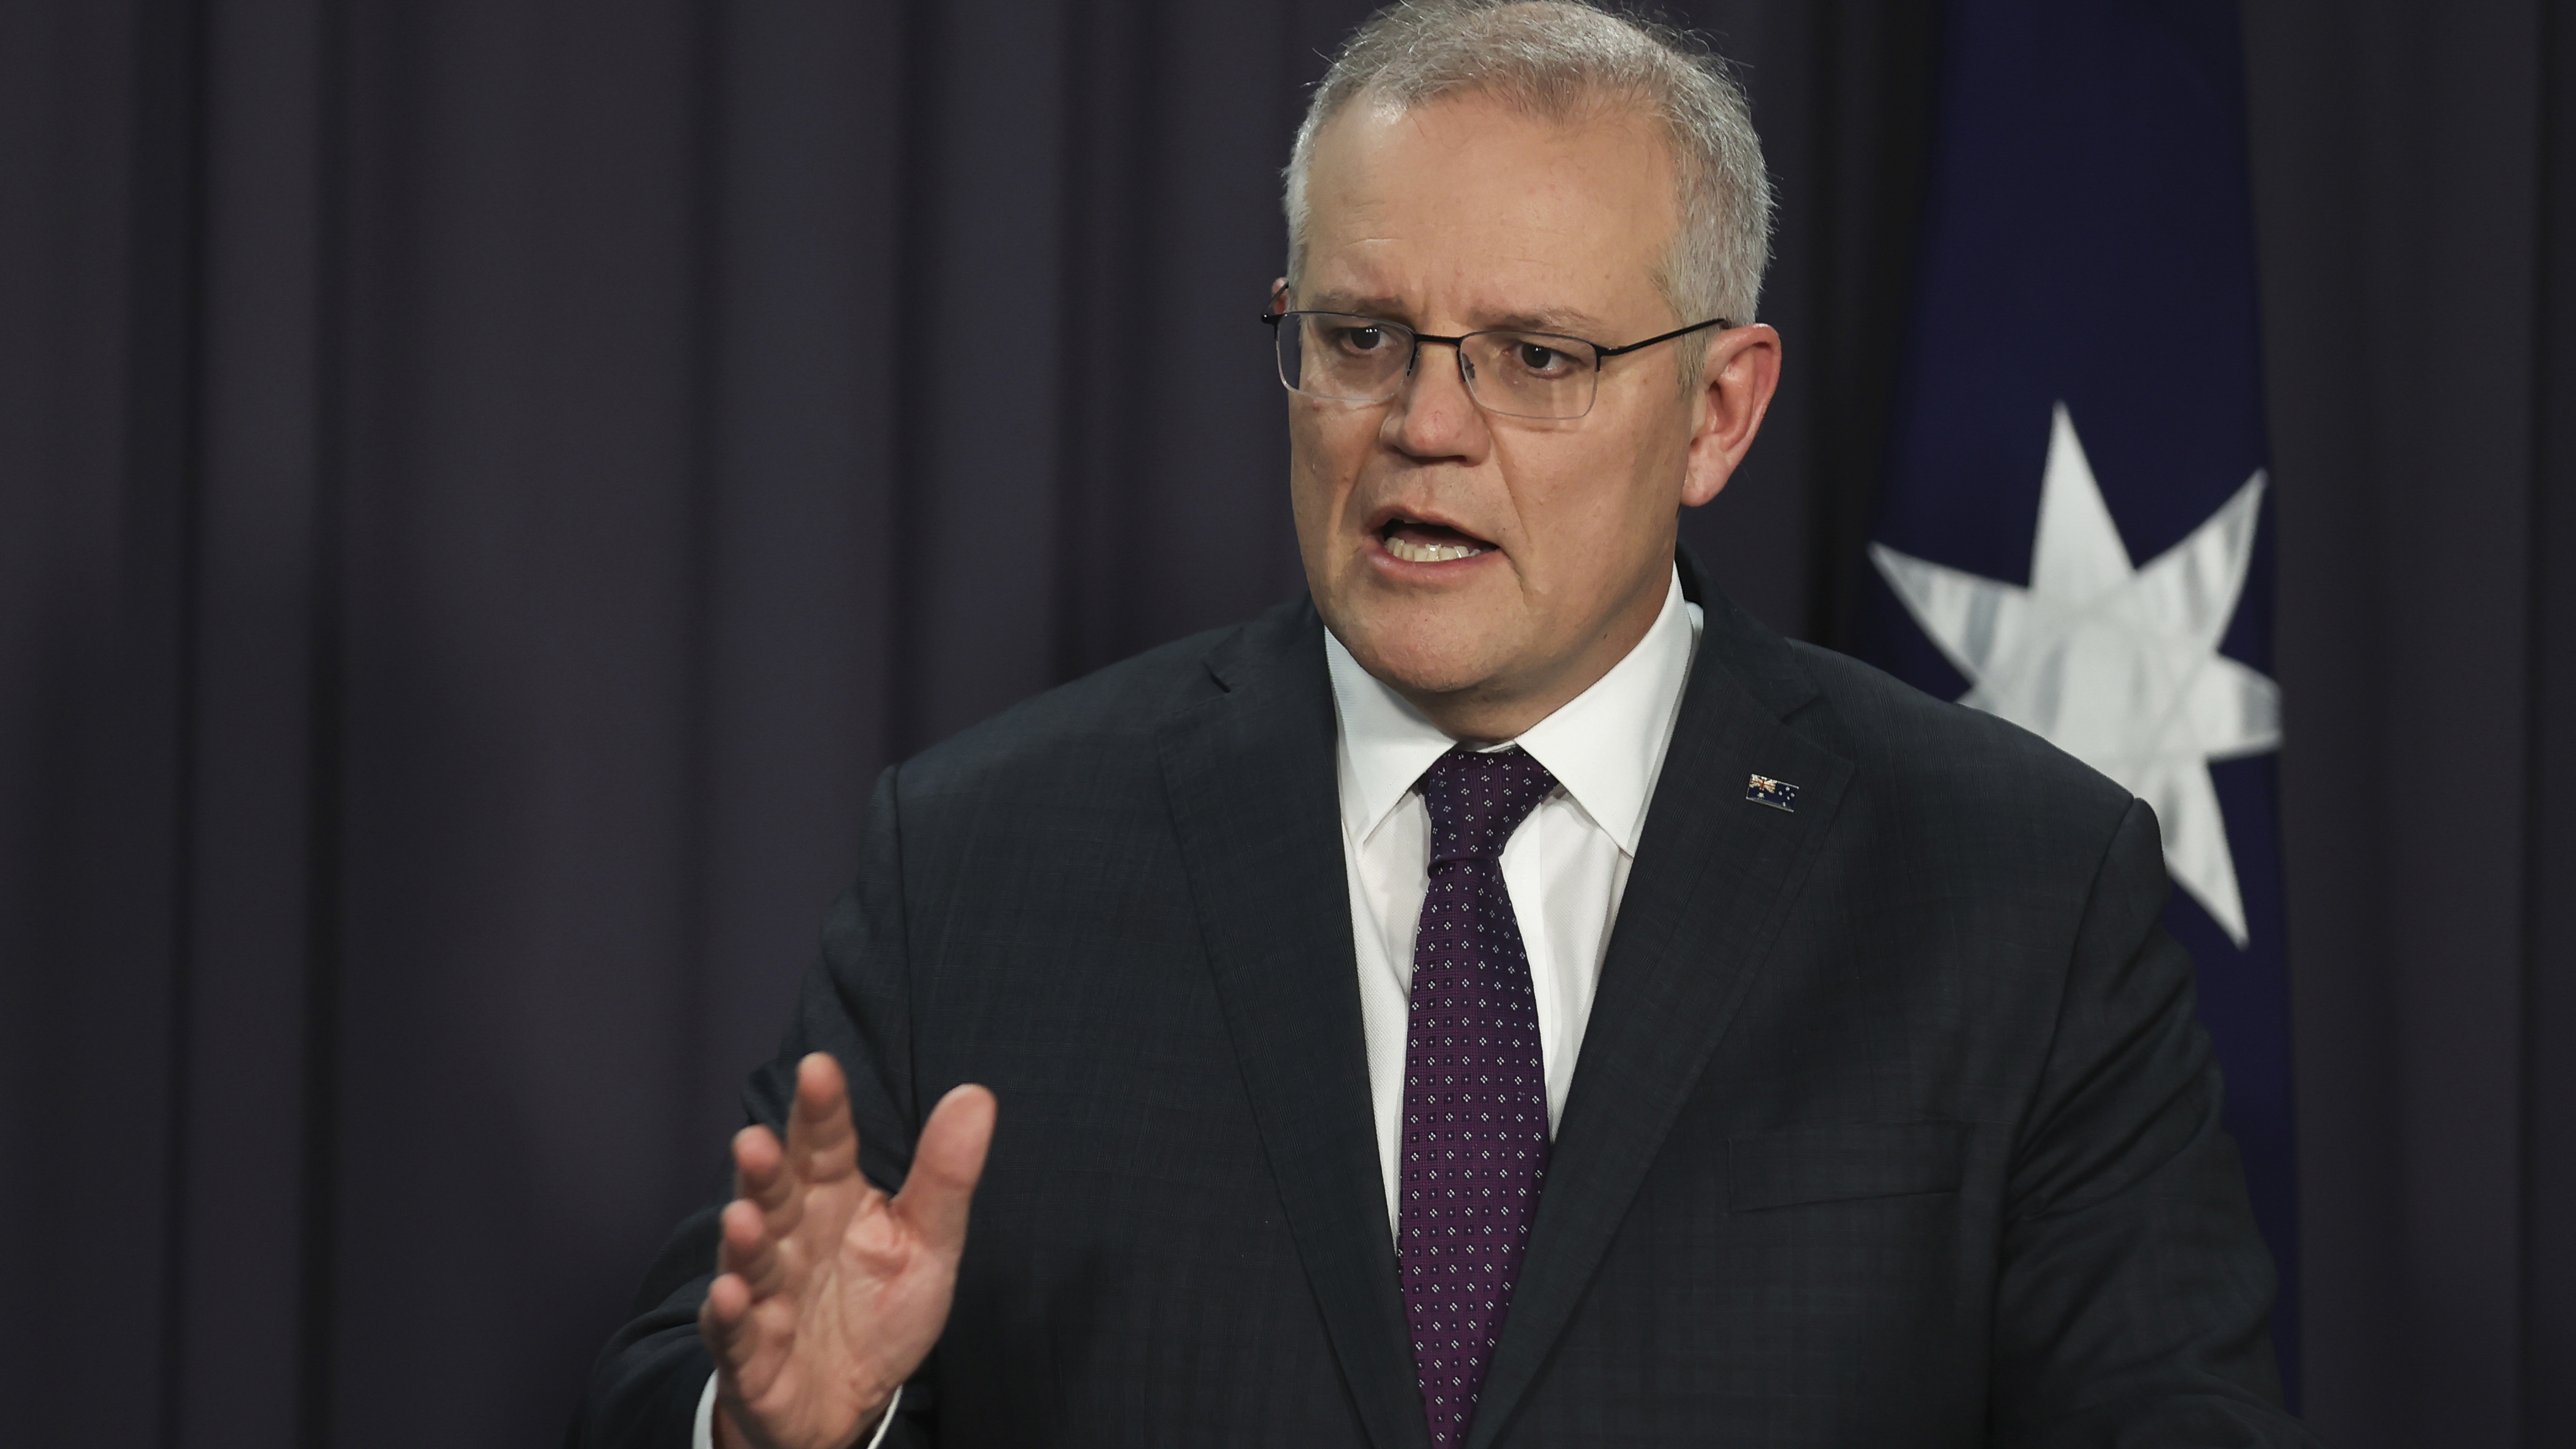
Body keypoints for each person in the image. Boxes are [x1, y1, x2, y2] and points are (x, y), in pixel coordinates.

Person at [574, 2, 2310, 1445]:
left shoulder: (2013, 888)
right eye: (1360, 337)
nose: (1422, 422)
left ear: (1717, 411)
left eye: (1536, 357)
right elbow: (688, 1381)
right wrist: (792, 1431)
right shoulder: (985, 858)